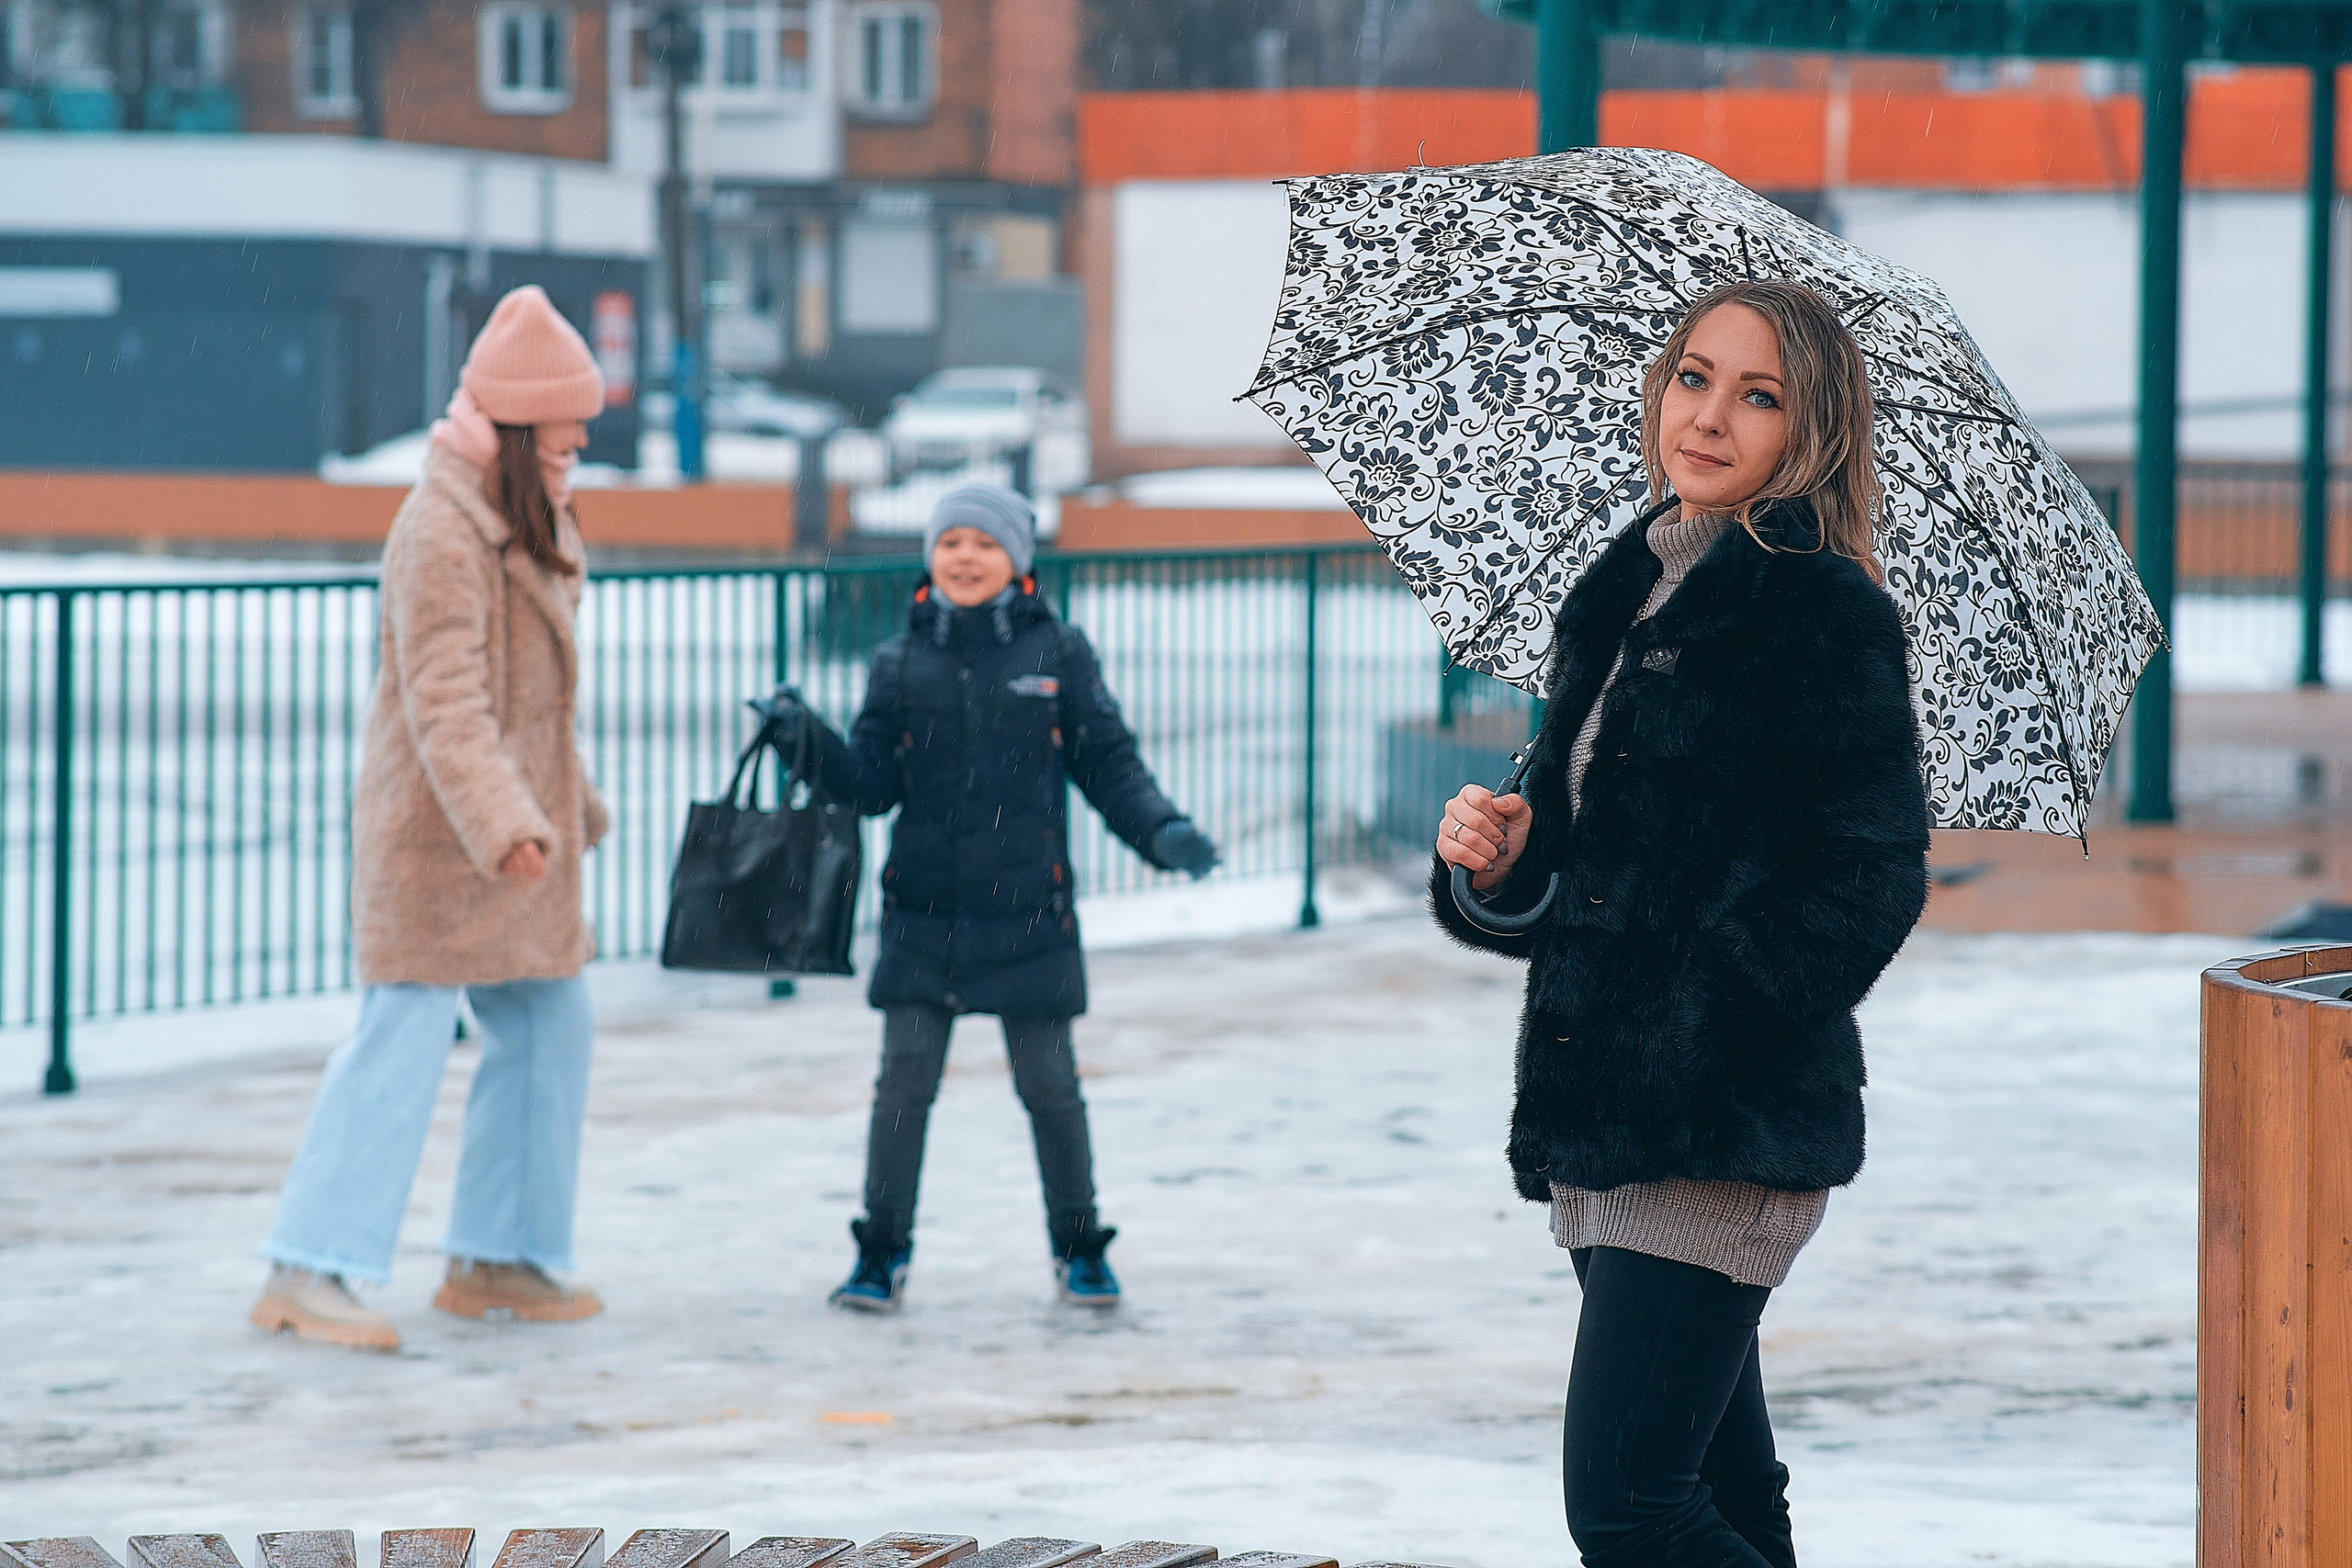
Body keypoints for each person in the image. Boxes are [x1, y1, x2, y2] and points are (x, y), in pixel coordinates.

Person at [1431, 280, 1930, 1566]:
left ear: (1808, 430)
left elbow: (1867, 882)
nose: (1706, 414)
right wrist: (1500, 861)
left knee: (1628, 1503)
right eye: (1693, 376)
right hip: (1608, 1112)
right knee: (1721, 1483)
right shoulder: (1625, 588)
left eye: (1756, 394)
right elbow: (1574, 866)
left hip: (1721, 1119)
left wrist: (1696, 1011)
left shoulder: (1820, 613)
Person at [248, 285, 612, 1353]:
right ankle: (308, 1266)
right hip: (440, 835)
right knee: (401, 1032)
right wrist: (506, 817)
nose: (582, 438)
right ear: (515, 425)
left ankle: (497, 1252)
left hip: (510, 835)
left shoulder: (527, 508)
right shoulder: (440, 529)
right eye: (566, 424)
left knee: (552, 1020)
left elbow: (538, 703)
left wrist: (566, 803)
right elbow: (445, 699)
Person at [782, 483, 1219, 1314]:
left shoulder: (1057, 652)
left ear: (1017, 561)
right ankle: (881, 1251)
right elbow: (870, 787)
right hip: (923, 912)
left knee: (1050, 1087)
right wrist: (809, 743)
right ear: (930, 558)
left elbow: (1110, 765)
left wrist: (1163, 832)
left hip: (1029, 909)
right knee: (903, 1087)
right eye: (951, 543)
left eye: (984, 544)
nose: (966, 558)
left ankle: (1080, 1247)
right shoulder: (899, 660)